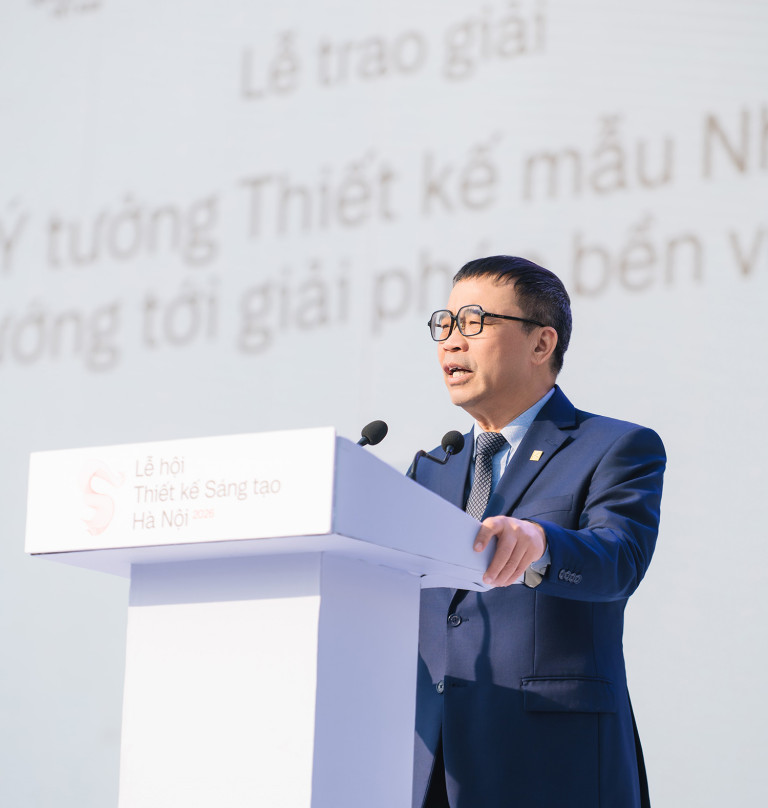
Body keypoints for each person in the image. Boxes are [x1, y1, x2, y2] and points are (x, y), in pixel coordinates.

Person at [410, 256, 665, 808]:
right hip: (431, 765)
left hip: (553, 761)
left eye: (473, 322)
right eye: (445, 324)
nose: (452, 341)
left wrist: (543, 544)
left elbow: (619, 559)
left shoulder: (615, 446)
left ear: (541, 343)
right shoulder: (432, 468)